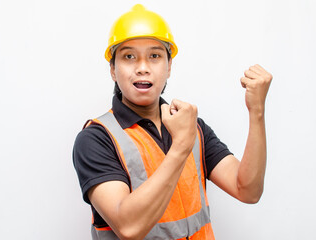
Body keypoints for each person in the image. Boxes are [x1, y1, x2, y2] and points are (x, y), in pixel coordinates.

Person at [73, 4, 272, 240]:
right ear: (113, 70)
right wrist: (180, 147)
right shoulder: (97, 139)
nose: (143, 68)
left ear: (169, 67)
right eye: (129, 56)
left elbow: (247, 190)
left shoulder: (192, 127)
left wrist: (256, 111)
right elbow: (128, 227)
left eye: (155, 56)